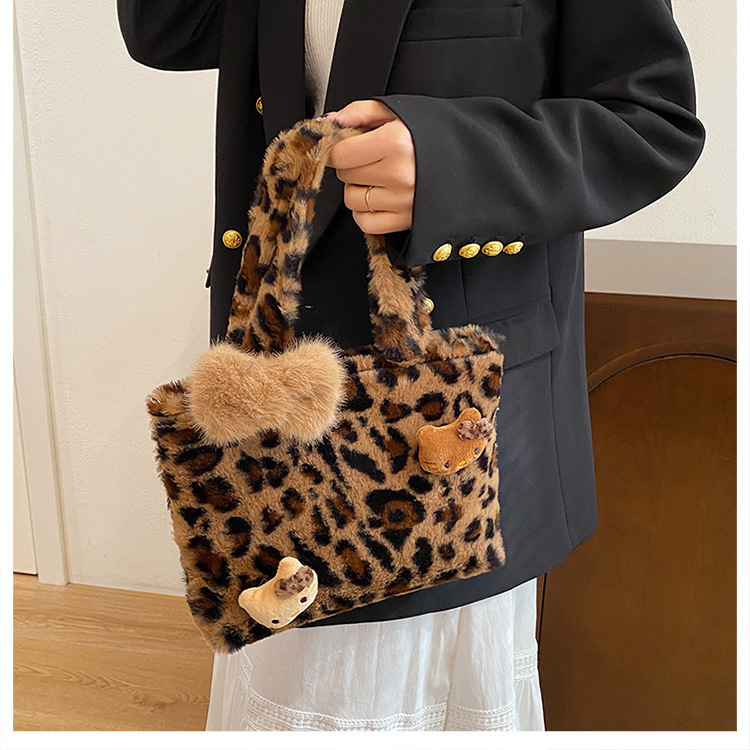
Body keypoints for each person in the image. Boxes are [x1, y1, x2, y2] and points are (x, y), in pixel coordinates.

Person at [118, 0, 705, 731]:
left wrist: (453, 165)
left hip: (452, 436)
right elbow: (166, 30)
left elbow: (653, 121)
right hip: (280, 426)